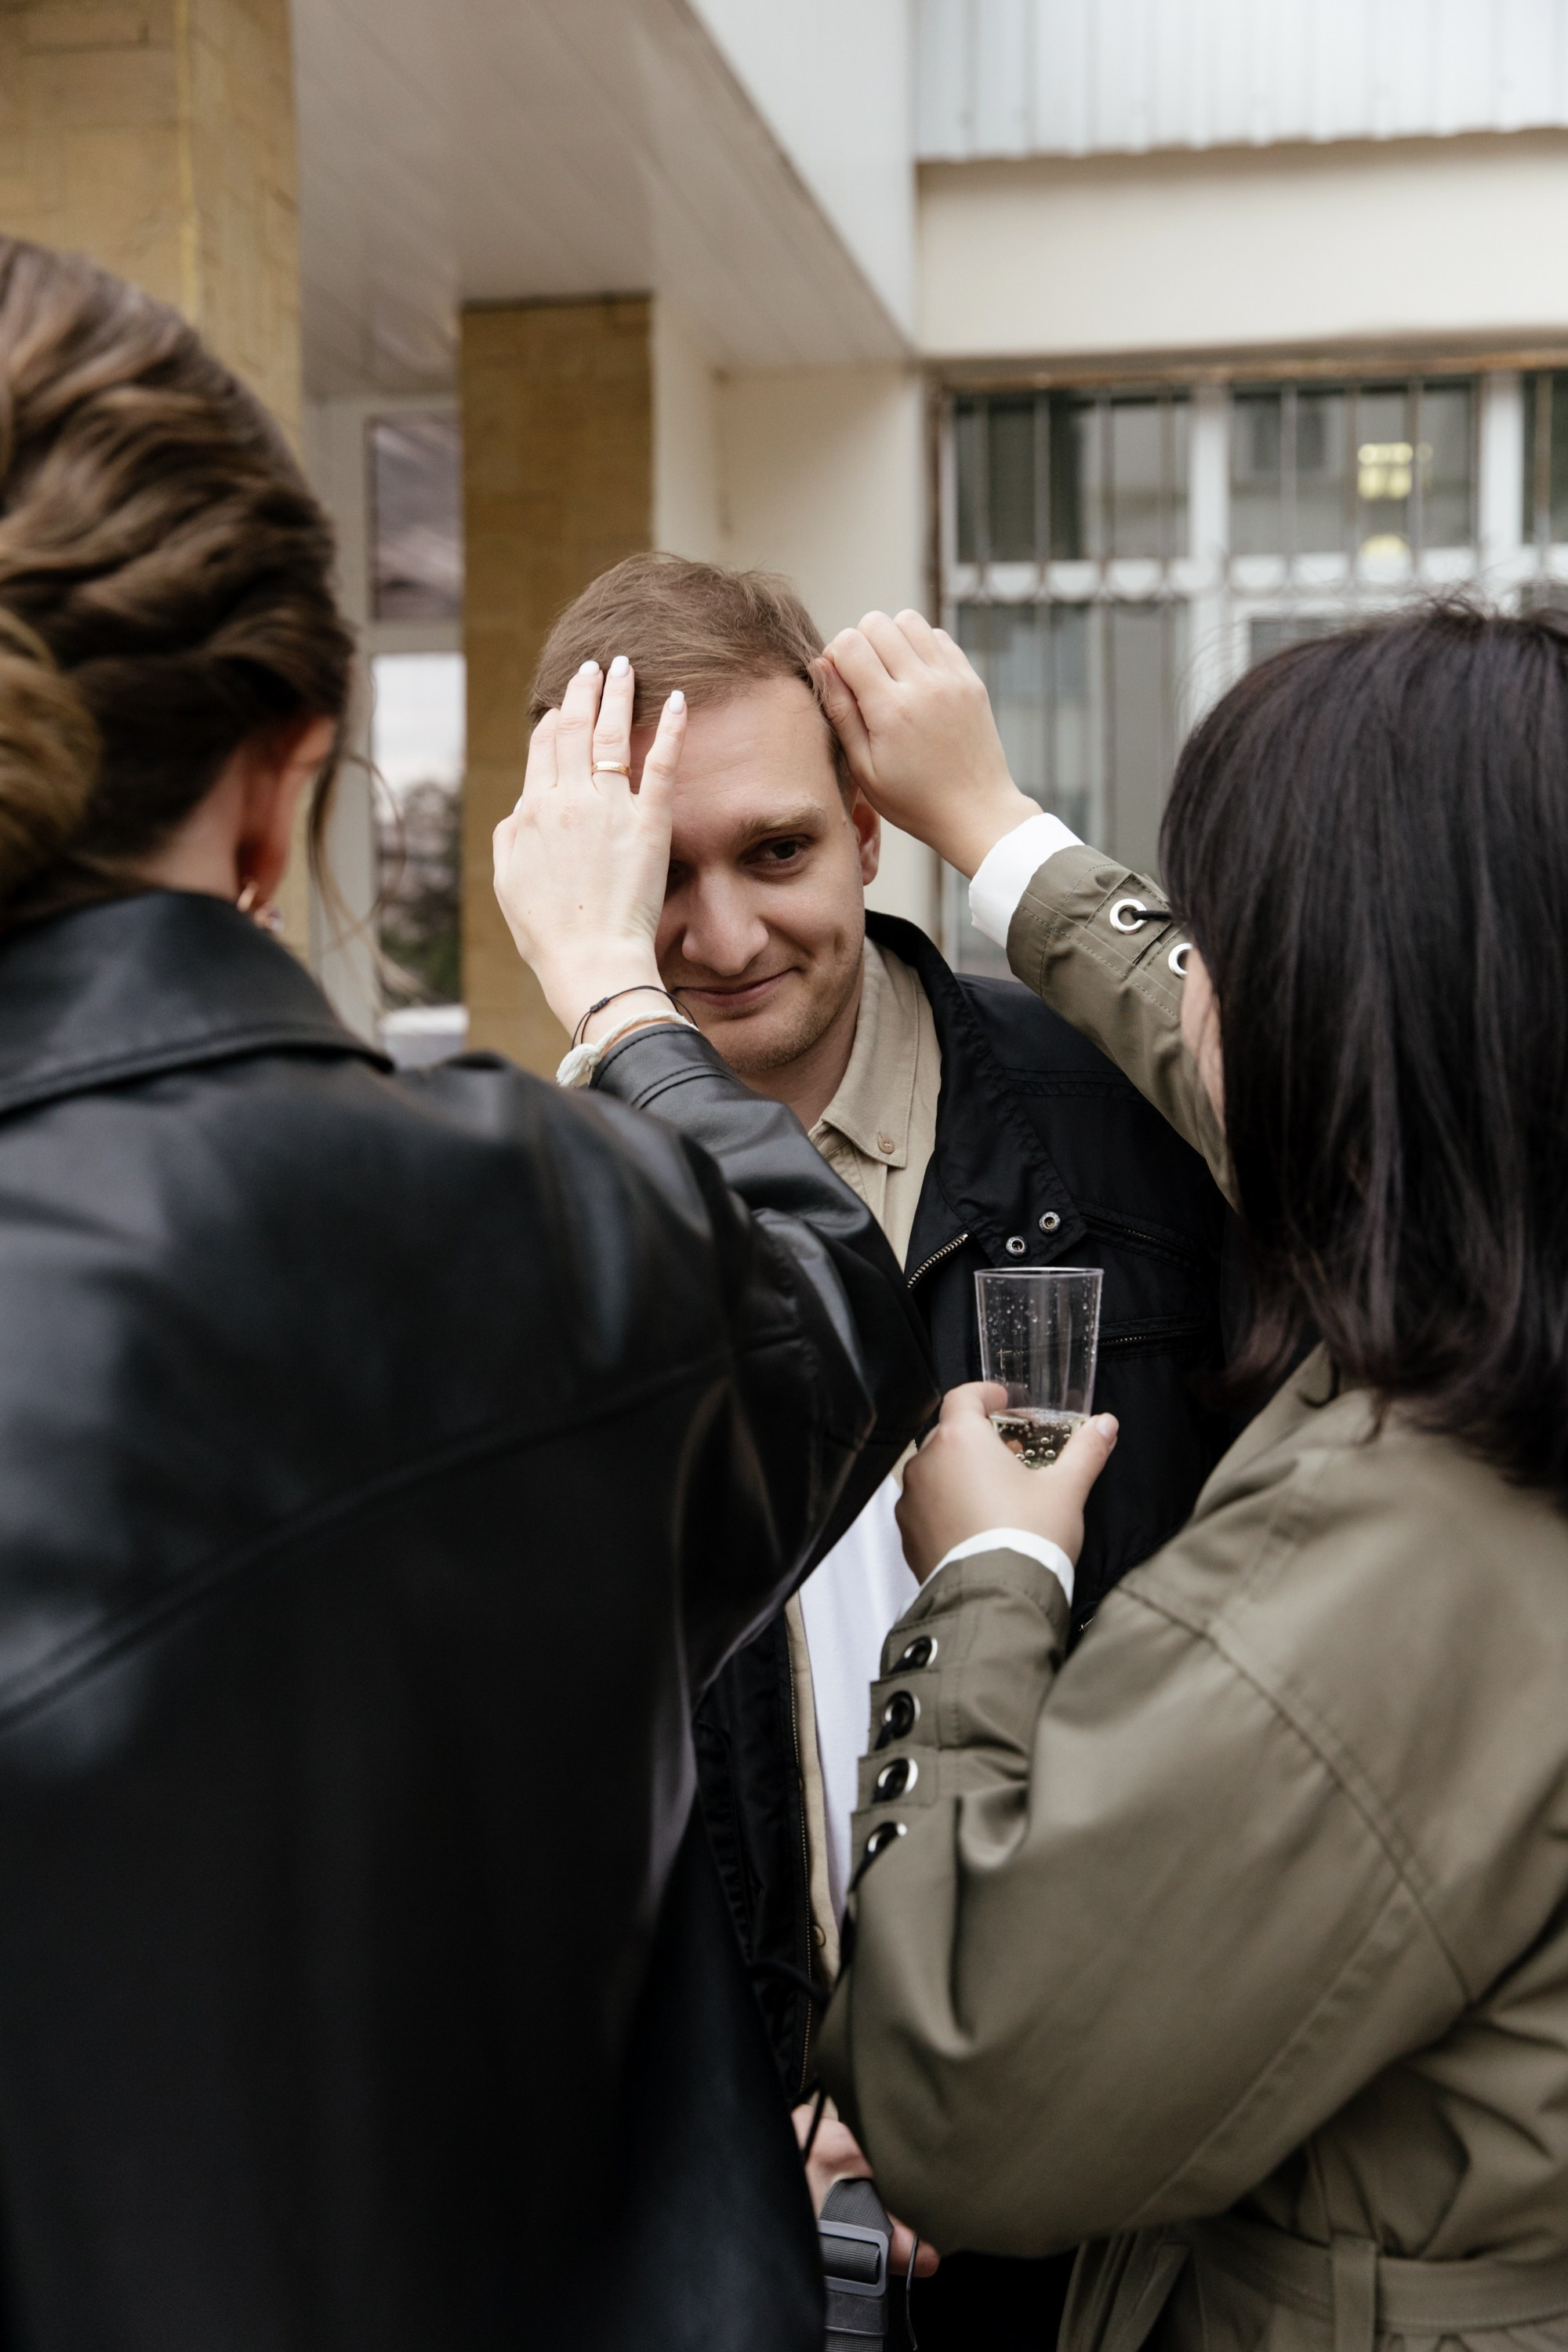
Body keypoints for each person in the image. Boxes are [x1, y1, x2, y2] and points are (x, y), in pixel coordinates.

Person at [0, 238, 935, 2352]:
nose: (725, 932)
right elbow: (826, 1319)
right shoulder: (546, 1224)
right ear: (280, 779)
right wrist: (610, 1000)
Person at [808, 602, 1568, 2352]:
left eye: (1223, 937)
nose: (1187, 978)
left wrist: (986, 1582)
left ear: (1350, 1025)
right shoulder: (1495, 1255)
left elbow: (965, 2092)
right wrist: (992, 823)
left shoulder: (1397, 1558)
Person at [528, 556, 1232, 2347]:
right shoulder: (511, 1227)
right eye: (655, 877)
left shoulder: (1111, 1125)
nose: (725, 934)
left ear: (864, 830)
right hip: (746, 2203)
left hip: (1117, 2170)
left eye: (773, 854)